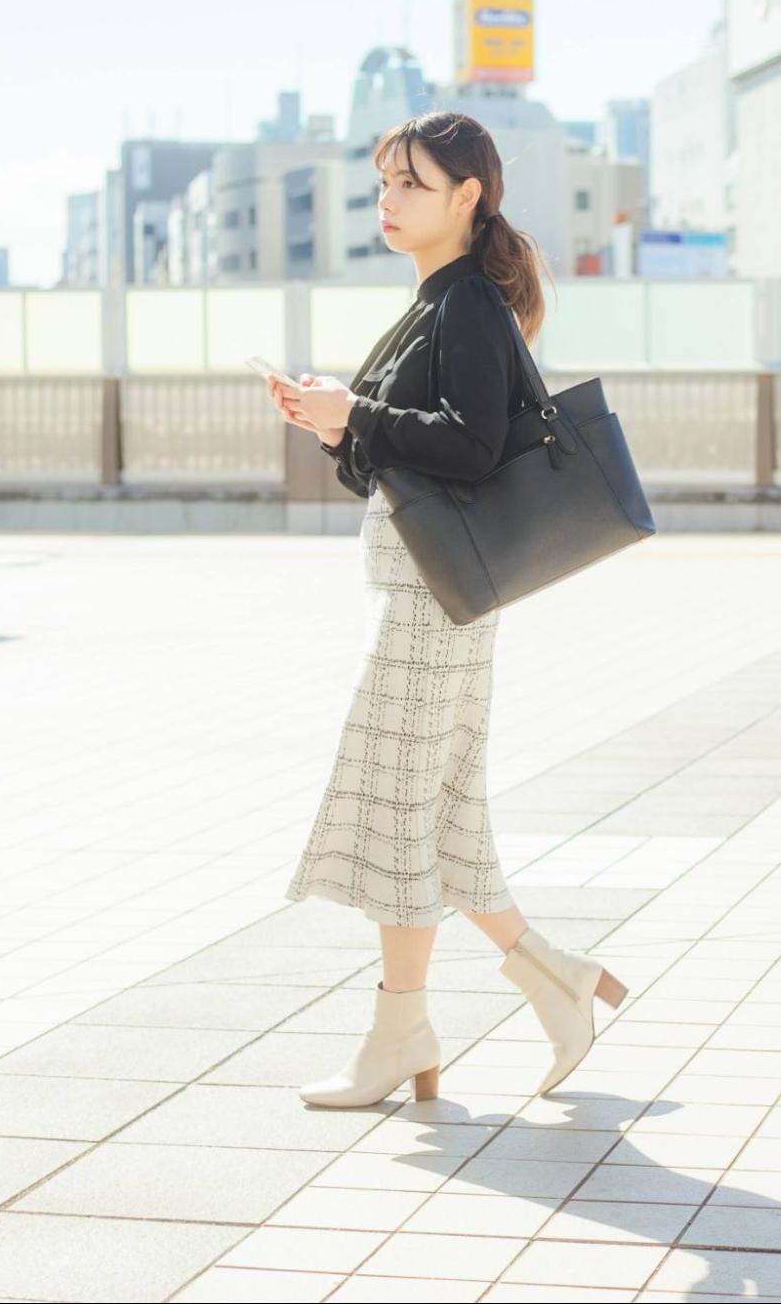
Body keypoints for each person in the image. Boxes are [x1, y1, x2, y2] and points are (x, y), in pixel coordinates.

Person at [261, 111, 626, 1108]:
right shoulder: (438, 304)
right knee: (441, 820)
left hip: (436, 603)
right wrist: (337, 422)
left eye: (412, 183)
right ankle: (555, 982)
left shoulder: (466, 304)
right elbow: (400, 453)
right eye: (384, 182)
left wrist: (360, 415)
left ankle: (402, 1033)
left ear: (469, 197)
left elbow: (469, 447)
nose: (390, 200)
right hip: (436, 594)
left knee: (394, 812)